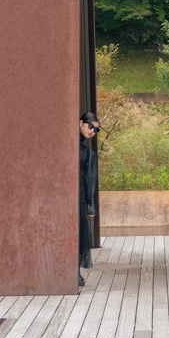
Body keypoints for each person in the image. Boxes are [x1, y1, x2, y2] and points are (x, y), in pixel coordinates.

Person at [78, 111, 99, 286]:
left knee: (80, 234)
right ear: (81, 123)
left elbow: (88, 179)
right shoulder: (71, 145)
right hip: (68, 196)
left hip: (80, 198)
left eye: (96, 129)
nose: (92, 131)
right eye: (90, 126)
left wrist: (90, 204)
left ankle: (75, 271)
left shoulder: (87, 152)